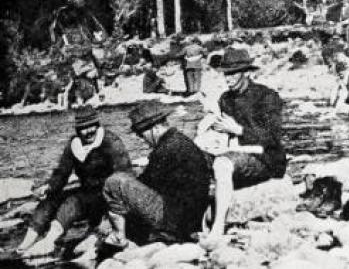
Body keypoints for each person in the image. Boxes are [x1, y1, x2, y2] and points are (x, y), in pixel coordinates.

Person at [17, 107, 132, 257]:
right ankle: (24, 245)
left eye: (92, 126)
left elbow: (125, 173)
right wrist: (50, 186)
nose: (89, 131)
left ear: (97, 125)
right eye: (84, 128)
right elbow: (62, 173)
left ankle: (50, 241)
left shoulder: (110, 141)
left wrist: (114, 211)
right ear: (78, 130)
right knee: (50, 200)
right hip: (87, 191)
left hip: (108, 195)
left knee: (73, 202)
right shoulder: (74, 145)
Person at [103, 102, 211, 245]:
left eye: (142, 134)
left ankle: (119, 235)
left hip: (173, 218)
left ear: (155, 128)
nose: (142, 140)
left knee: (114, 182)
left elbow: (147, 183)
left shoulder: (164, 150)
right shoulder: (181, 141)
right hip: (192, 215)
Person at [206, 48, 287, 237]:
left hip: (266, 159)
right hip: (236, 153)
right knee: (193, 158)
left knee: (222, 164)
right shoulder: (225, 99)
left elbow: (273, 137)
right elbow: (222, 133)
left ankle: (218, 226)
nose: (228, 79)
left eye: (233, 74)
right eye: (226, 74)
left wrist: (238, 130)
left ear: (246, 73)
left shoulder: (267, 96)